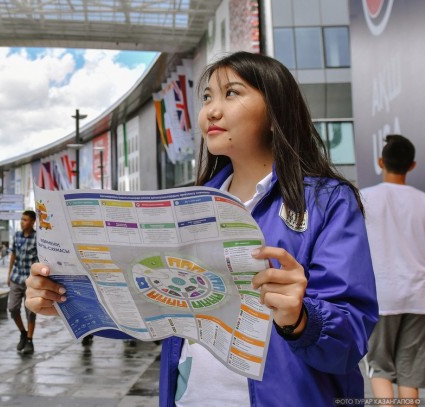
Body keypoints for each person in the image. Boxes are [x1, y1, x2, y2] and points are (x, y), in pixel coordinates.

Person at [25, 51, 378, 406]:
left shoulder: (327, 202)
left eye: (232, 93)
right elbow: (155, 313)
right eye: (207, 97)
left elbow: (351, 337)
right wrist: (67, 300)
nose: (211, 110)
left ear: (275, 113)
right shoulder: (188, 207)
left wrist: (301, 319)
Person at [361, 134, 425, 400]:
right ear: (412, 165)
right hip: (419, 297)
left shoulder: (364, 198)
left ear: (380, 162)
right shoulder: (422, 201)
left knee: (380, 368)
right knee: (410, 374)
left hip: (382, 296)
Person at [8, 210, 38, 355]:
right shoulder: (17, 236)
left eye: (25, 220)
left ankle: (30, 341)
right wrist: (9, 274)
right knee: (12, 308)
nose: (22, 222)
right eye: (21, 219)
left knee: (30, 312)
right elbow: (13, 254)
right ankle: (23, 333)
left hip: (30, 281)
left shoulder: (37, 238)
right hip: (16, 277)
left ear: (32, 222)